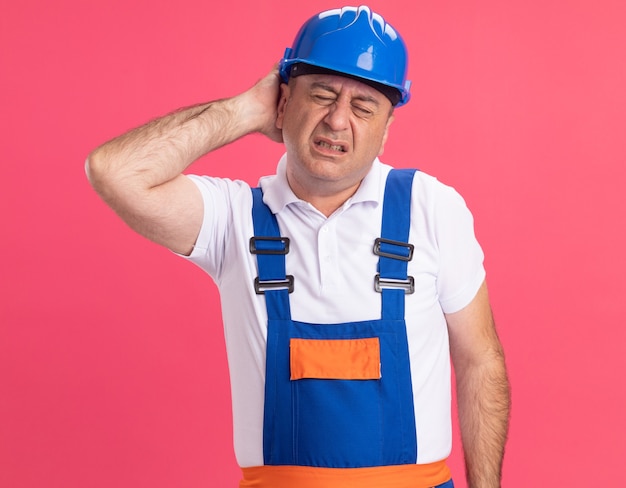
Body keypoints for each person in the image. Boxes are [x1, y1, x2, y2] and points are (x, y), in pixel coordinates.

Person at [86, 5, 509, 488]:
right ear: (282, 105)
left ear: (387, 128)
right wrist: (242, 110)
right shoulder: (233, 218)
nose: (337, 120)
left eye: (363, 107)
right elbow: (114, 171)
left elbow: (480, 359)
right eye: (322, 95)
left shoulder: (432, 209)